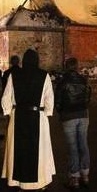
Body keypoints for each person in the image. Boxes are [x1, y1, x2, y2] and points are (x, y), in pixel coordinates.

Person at [1, 49, 55, 191]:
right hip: (38, 117)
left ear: (23, 61)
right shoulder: (44, 75)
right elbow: (50, 98)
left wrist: (8, 112)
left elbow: (6, 97)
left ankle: (20, 183)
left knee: (19, 150)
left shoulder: (14, 75)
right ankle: (39, 183)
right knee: (39, 150)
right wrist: (47, 112)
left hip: (18, 116)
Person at [55, 57, 91, 189]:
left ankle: (74, 178)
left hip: (68, 116)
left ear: (66, 67)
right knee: (83, 144)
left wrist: (62, 112)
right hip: (83, 115)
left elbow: (57, 102)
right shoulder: (84, 80)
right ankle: (85, 175)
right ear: (77, 67)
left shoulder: (62, 82)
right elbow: (88, 98)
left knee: (72, 147)